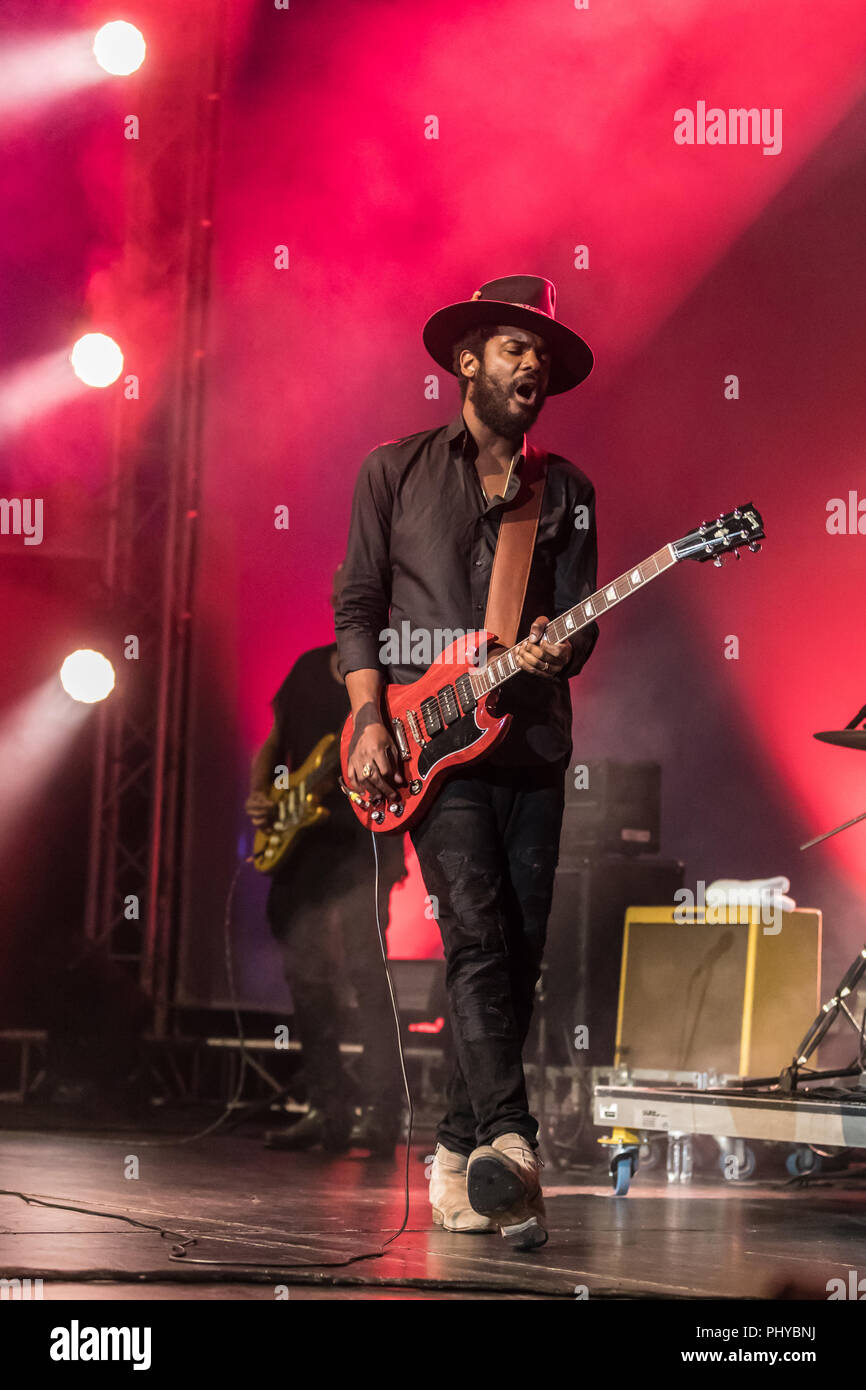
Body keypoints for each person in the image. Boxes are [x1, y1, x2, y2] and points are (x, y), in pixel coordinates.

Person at [335, 275, 599, 1248]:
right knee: (477, 940)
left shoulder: (563, 490)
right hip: (420, 747)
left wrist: (554, 648)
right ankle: (513, 1146)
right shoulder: (391, 473)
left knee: (513, 956)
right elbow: (357, 606)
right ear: (465, 362)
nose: (530, 362)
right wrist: (368, 716)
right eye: (510, 345)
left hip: (527, 743)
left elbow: (579, 625)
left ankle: (452, 1156)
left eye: (540, 352)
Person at [246, 569, 406, 1157]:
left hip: (365, 843)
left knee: (369, 979)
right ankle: (327, 1109)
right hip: (302, 851)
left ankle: (384, 1119)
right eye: (340, 596)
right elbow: (273, 741)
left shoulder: (398, 672)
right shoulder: (308, 666)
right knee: (307, 981)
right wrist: (262, 796)